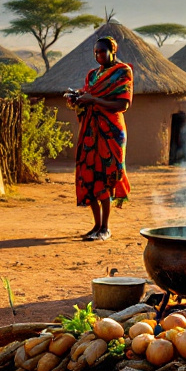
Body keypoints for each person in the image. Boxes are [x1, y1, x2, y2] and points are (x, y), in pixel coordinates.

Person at [65, 36, 132, 241]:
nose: (98, 55)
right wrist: (76, 97)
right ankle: (96, 226)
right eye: (95, 52)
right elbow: (87, 94)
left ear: (112, 50)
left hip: (111, 131)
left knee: (105, 175)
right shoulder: (93, 75)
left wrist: (93, 99)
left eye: (102, 51)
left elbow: (123, 105)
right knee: (89, 174)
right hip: (90, 130)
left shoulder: (123, 72)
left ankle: (105, 227)